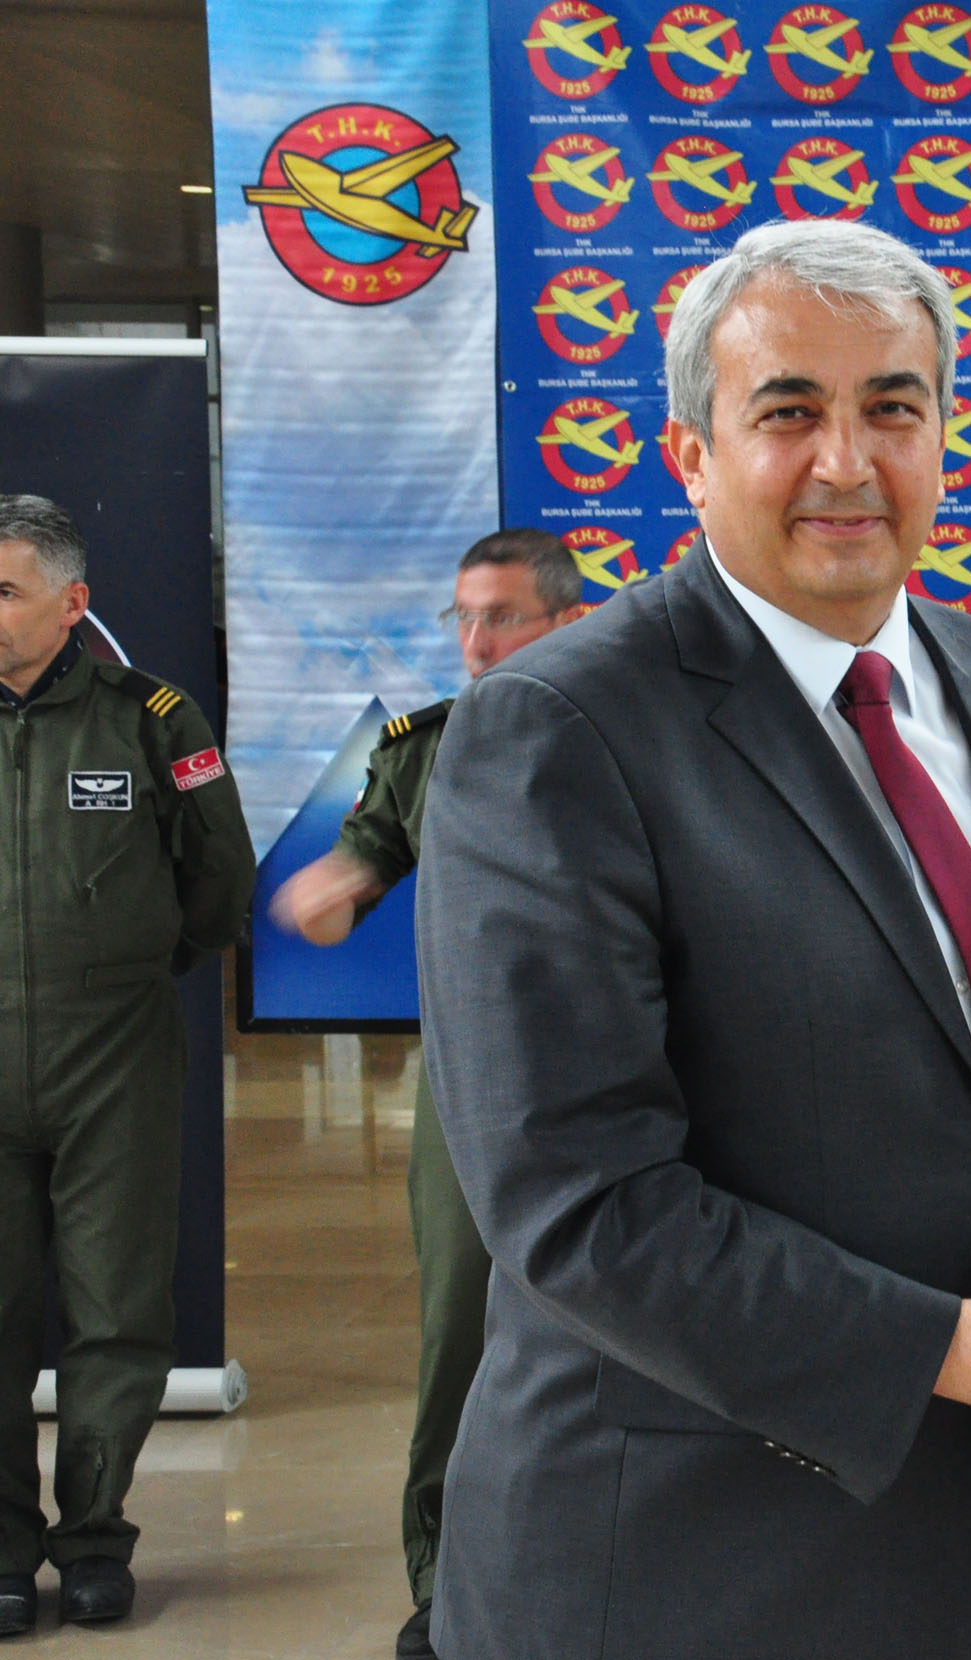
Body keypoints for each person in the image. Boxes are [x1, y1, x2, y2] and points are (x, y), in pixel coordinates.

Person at [412, 216, 971, 1660]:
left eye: (892, 409)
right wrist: (946, 1349)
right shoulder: (559, 731)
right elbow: (577, 1200)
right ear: (692, 455)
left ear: (946, 438)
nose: (847, 462)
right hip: (688, 1571)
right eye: (788, 412)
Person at [266, 527, 587, 1660]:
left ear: (569, 623)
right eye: (464, 617)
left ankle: (605, 1570)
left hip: (626, 1080)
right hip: (474, 1090)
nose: (476, 640)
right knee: (461, 1333)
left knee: (626, 1330)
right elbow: (364, 860)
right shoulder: (423, 749)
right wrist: (336, 890)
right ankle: (446, 1582)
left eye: (501, 617)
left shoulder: (638, 736)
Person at [0, 495, 253, 1638]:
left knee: (116, 1313)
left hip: (113, 1059)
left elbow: (216, 883)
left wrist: (124, 966)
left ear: (71, 603)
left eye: (3, 590)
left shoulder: (152, 721)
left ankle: (91, 1538)